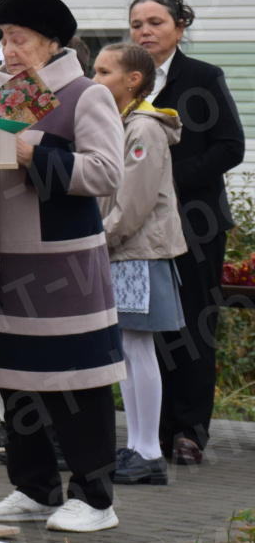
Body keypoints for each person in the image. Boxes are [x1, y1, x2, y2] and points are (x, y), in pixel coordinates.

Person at [0, 0, 124, 534]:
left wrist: (34, 154)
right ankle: (33, 487)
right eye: (3, 38)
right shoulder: (5, 95)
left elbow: (104, 174)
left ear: (52, 43)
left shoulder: (86, 95)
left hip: (61, 268)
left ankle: (96, 498)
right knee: (15, 380)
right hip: (0, 264)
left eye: (19, 38)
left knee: (77, 384)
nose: (7, 49)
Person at [129, 0, 244, 465]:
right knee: (145, 325)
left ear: (179, 27)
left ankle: (189, 431)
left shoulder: (201, 77)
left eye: (156, 23)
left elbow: (230, 146)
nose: (145, 32)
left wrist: (169, 179)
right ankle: (149, 430)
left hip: (195, 221)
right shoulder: (127, 80)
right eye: (137, 24)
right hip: (140, 226)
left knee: (194, 322)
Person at [94, 42, 185, 487]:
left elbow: (133, 203)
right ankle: (138, 444)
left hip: (137, 251)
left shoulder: (144, 129)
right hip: (123, 251)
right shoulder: (120, 123)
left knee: (137, 348)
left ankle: (148, 450)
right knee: (127, 350)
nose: (95, 81)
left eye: (104, 72)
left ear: (133, 81)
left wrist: (99, 238)